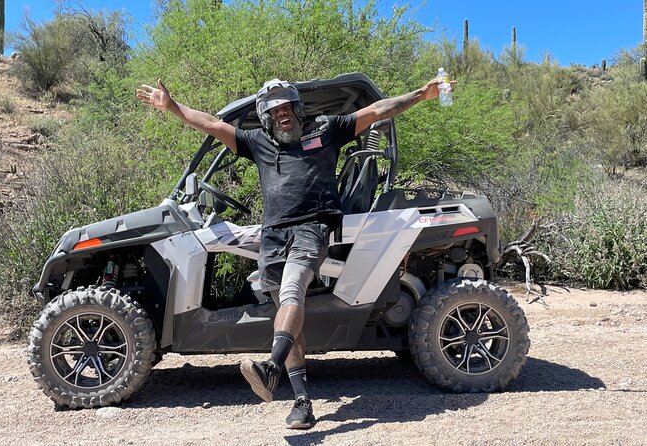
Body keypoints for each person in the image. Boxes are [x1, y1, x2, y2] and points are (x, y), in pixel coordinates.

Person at [136, 75, 448, 429]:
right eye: (275, 110)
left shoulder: (326, 130)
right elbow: (210, 123)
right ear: (267, 117)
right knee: (286, 311)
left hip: (312, 228)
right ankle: (302, 403)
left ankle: (270, 367)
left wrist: (422, 94)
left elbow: (377, 110)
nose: (282, 114)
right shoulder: (258, 143)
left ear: (298, 109)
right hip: (274, 236)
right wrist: (172, 106)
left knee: (291, 290)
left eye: (287, 107)